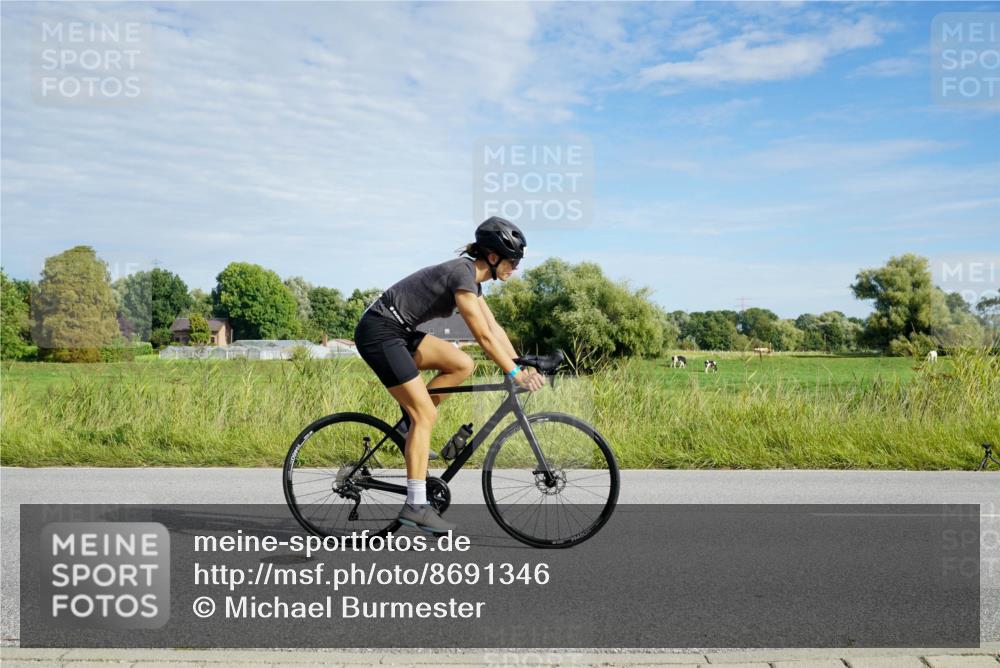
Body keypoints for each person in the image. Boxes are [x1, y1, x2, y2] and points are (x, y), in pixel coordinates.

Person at [353, 217, 546, 534]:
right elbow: (482, 337)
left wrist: (518, 365)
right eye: (513, 261)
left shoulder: (473, 282)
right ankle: (416, 505)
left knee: (462, 365)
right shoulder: (463, 273)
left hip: (398, 331)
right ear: (493, 257)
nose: (517, 267)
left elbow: (494, 329)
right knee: (425, 414)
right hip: (379, 332)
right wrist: (513, 373)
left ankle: (406, 429)